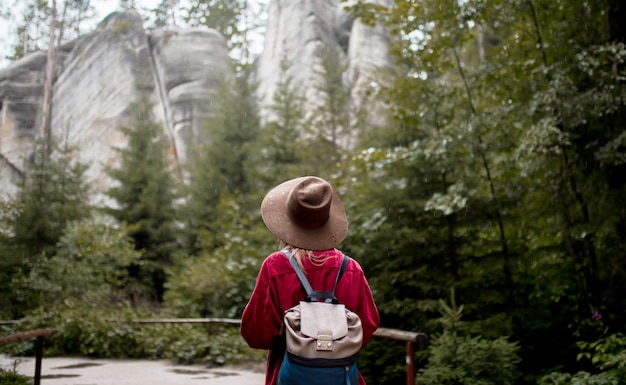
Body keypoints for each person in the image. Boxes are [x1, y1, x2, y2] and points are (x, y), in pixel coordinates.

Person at [240, 176, 380, 385]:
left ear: (288, 220)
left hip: (291, 375)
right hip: (341, 377)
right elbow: (367, 326)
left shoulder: (276, 266)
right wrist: (332, 344)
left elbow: (256, 333)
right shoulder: (351, 268)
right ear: (327, 220)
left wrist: (298, 340)